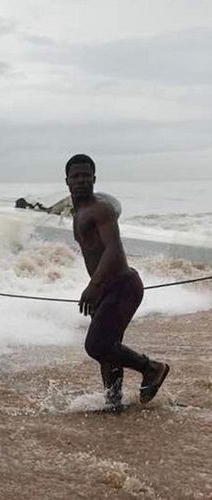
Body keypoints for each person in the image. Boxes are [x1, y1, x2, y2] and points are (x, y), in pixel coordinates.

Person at [66, 154, 169, 410]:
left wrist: (94, 285)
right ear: (66, 180)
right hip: (106, 289)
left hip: (122, 286)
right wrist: (98, 288)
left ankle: (152, 368)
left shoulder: (101, 209)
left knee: (97, 345)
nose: (81, 180)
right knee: (109, 350)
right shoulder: (77, 213)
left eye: (86, 176)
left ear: (94, 179)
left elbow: (113, 249)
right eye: (76, 176)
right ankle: (114, 403)